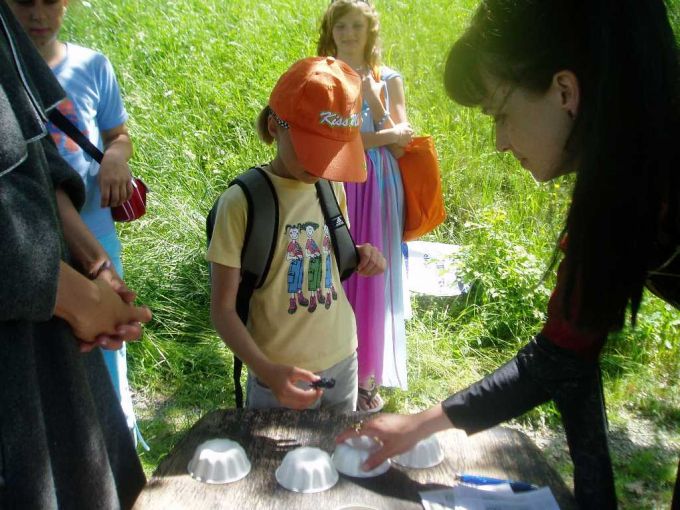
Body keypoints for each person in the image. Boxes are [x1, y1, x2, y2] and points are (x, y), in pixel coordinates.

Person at [336, 0, 680, 508]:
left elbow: (564, 359)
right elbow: (567, 356)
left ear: (565, 91)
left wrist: (419, 424)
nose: (499, 142)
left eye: (501, 115)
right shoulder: (617, 184)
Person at [0, 1, 152, 507]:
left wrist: (96, 265)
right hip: (35, 276)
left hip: (82, 245)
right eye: (24, 2)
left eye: (50, 1)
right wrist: (81, 298)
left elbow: (40, 163)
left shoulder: (87, 65)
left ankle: (122, 434)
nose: (37, 14)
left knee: (104, 373)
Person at [207, 56, 386, 412]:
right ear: (275, 126)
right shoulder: (241, 203)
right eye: (312, 150)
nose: (321, 165)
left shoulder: (331, 187)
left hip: (343, 357)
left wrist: (362, 253)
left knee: (337, 448)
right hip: (278, 375)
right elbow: (222, 310)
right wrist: (267, 371)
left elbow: (327, 254)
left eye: (332, 152)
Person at [317, 0, 413, 412]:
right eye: (341, 25)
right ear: (331, 30)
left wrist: (374, 102)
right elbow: (328, 137)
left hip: (378, 186)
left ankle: (366, 377)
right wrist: (381, 136)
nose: (349, 33)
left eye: (357, 25)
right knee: (333, 267)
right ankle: (327, 365)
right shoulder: (323, 76)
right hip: (337, 178)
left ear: (370, 30)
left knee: (372, 273)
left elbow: (404, 142)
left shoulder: (387, 79)